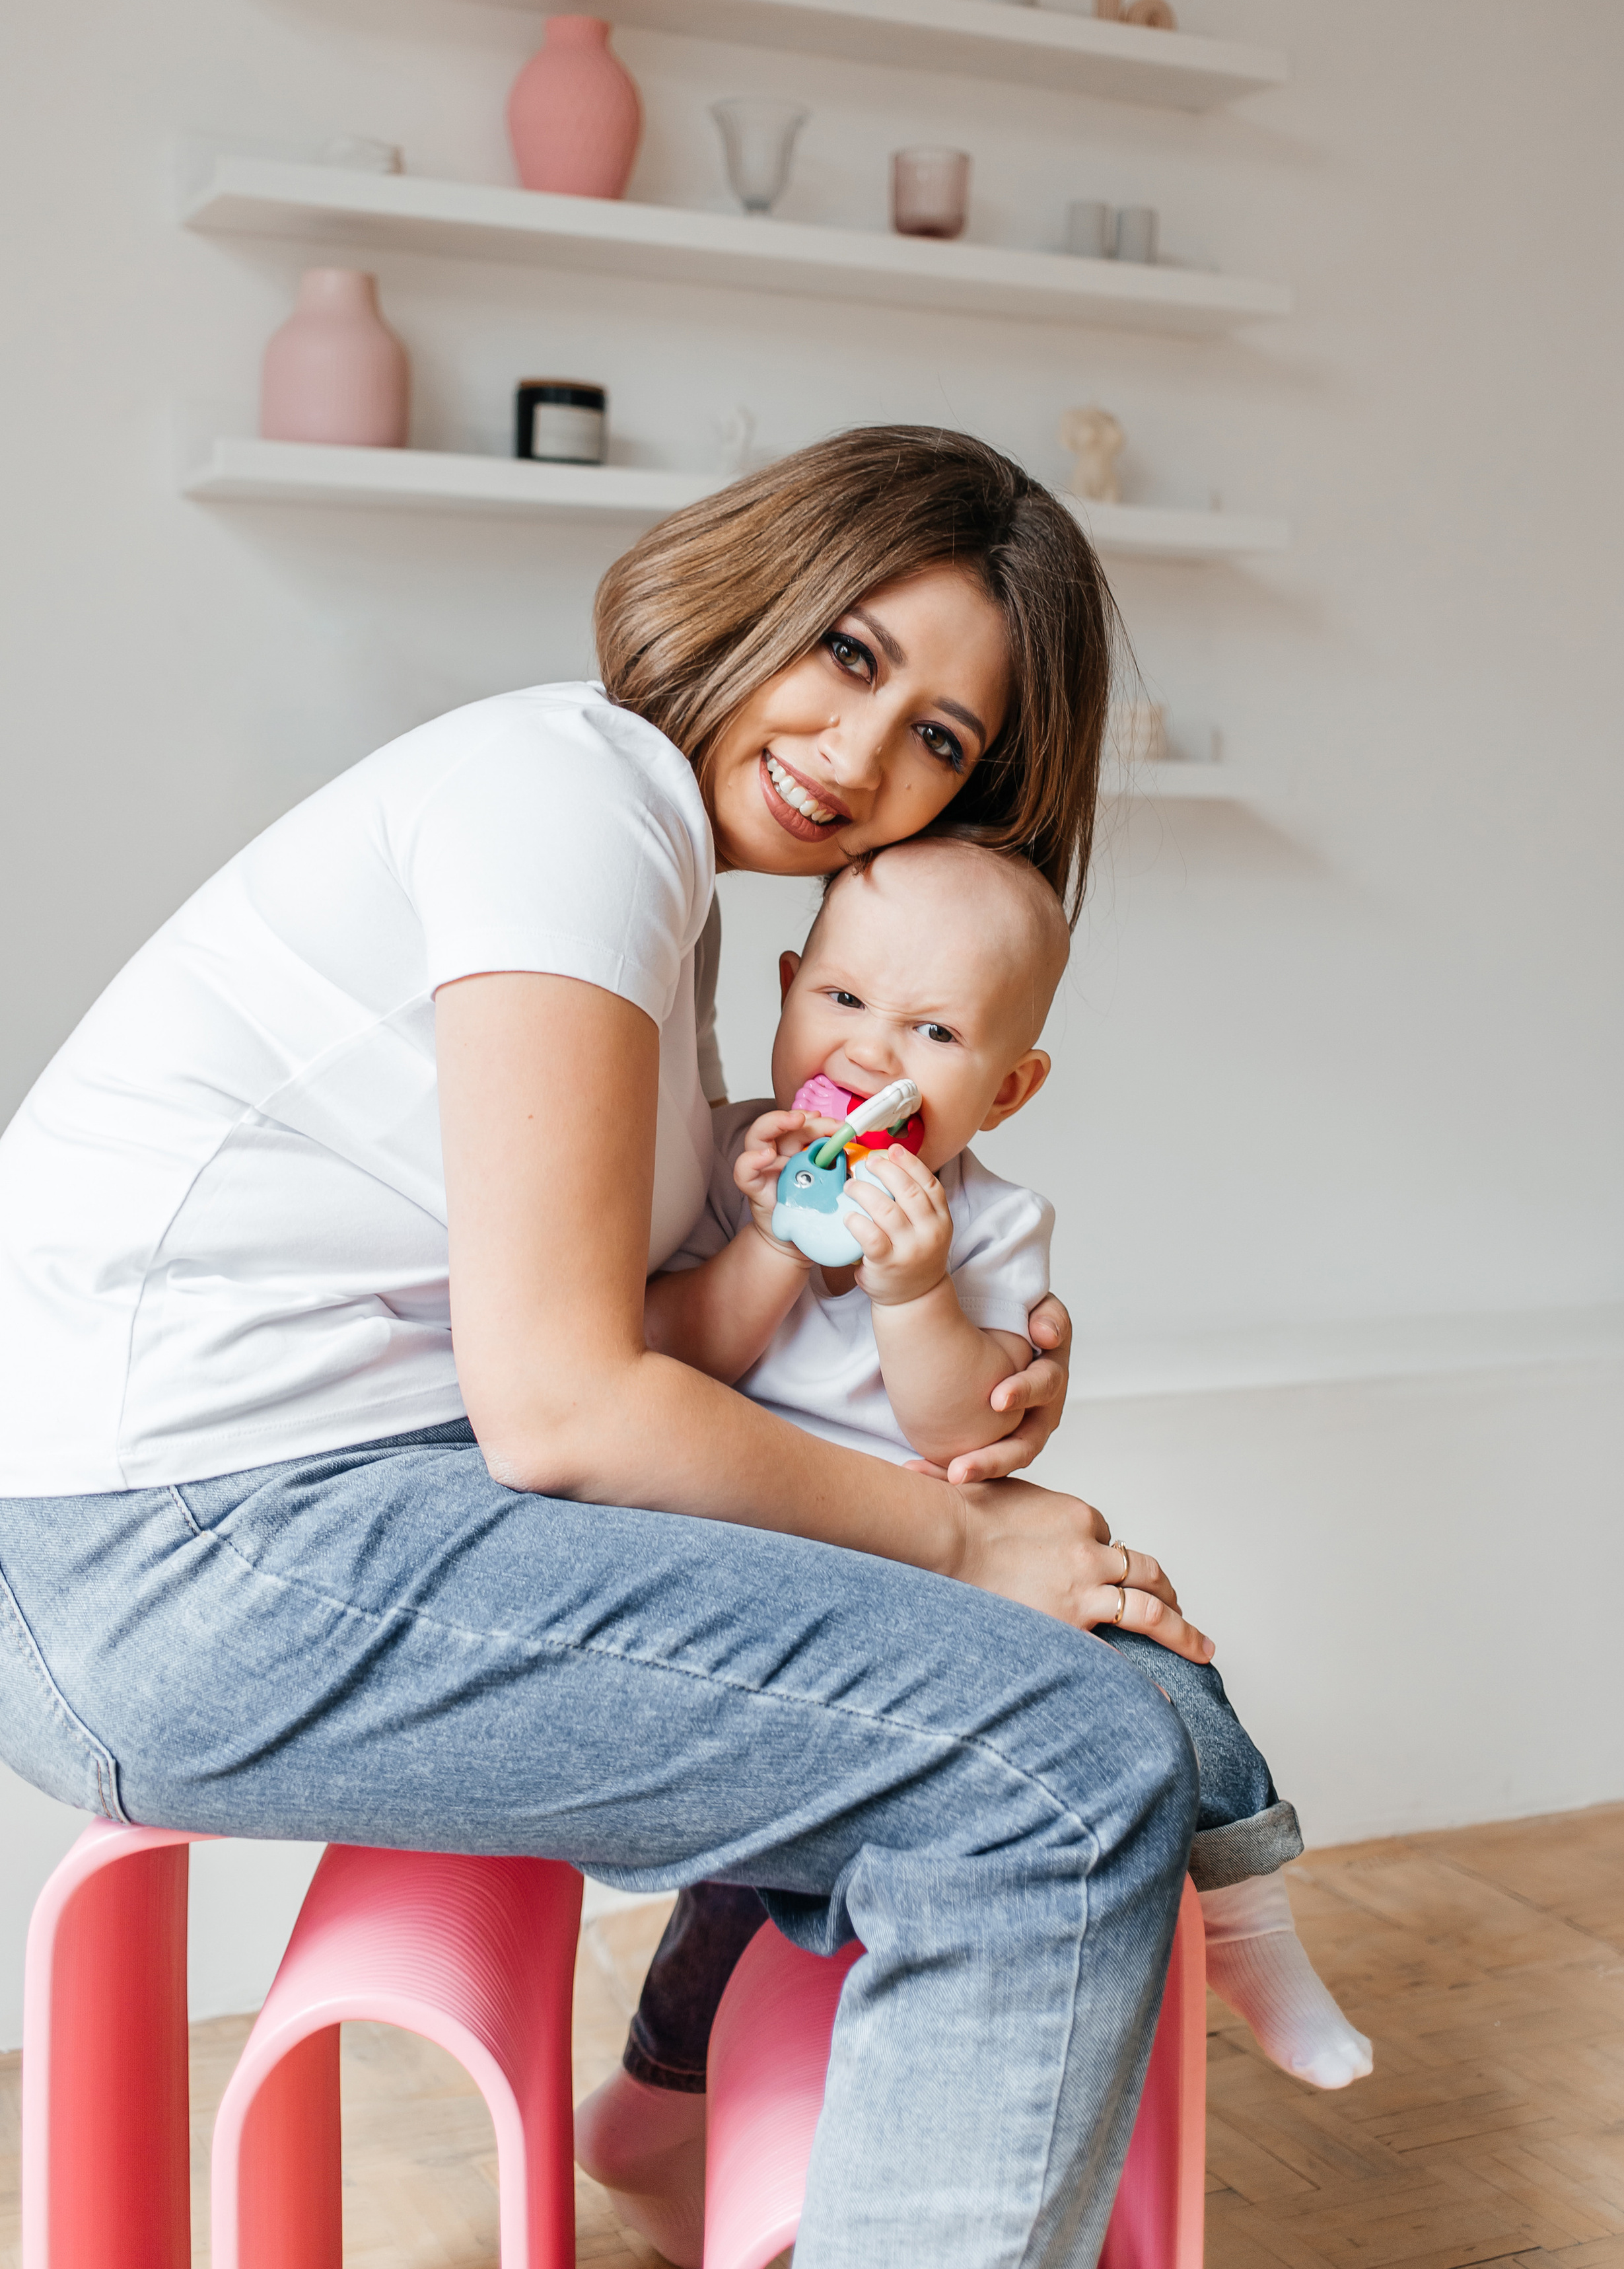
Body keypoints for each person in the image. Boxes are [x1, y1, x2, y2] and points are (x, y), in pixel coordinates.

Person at [0, 427, 1213, 2269]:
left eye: (938, 739)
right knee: (1058, 1769)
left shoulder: (637, 861)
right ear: (763, 585)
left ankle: (675, 2112)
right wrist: (963, 1541)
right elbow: (565, 1411)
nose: (857, 756)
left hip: (237, 1523)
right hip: (180, 1558)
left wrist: (937, 1357)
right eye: (851, 654)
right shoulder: (573, 806)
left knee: (1069, 1693)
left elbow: (604, 1343)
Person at [577, 836, 1371, 2262]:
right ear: (783, 991)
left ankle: (1250, 1924)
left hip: (937, 1569)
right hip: (754, 1573)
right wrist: (772, 1241)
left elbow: (963, 1432)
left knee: (1149, 1657)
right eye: (840, 1001)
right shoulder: (723, 1158)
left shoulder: (991, 1223)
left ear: (1006, 1087)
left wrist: (912, 1286)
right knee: (744, 1869)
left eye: (934, 1034)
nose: (870, 1051)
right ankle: (652, 2097)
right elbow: (666, 1356)